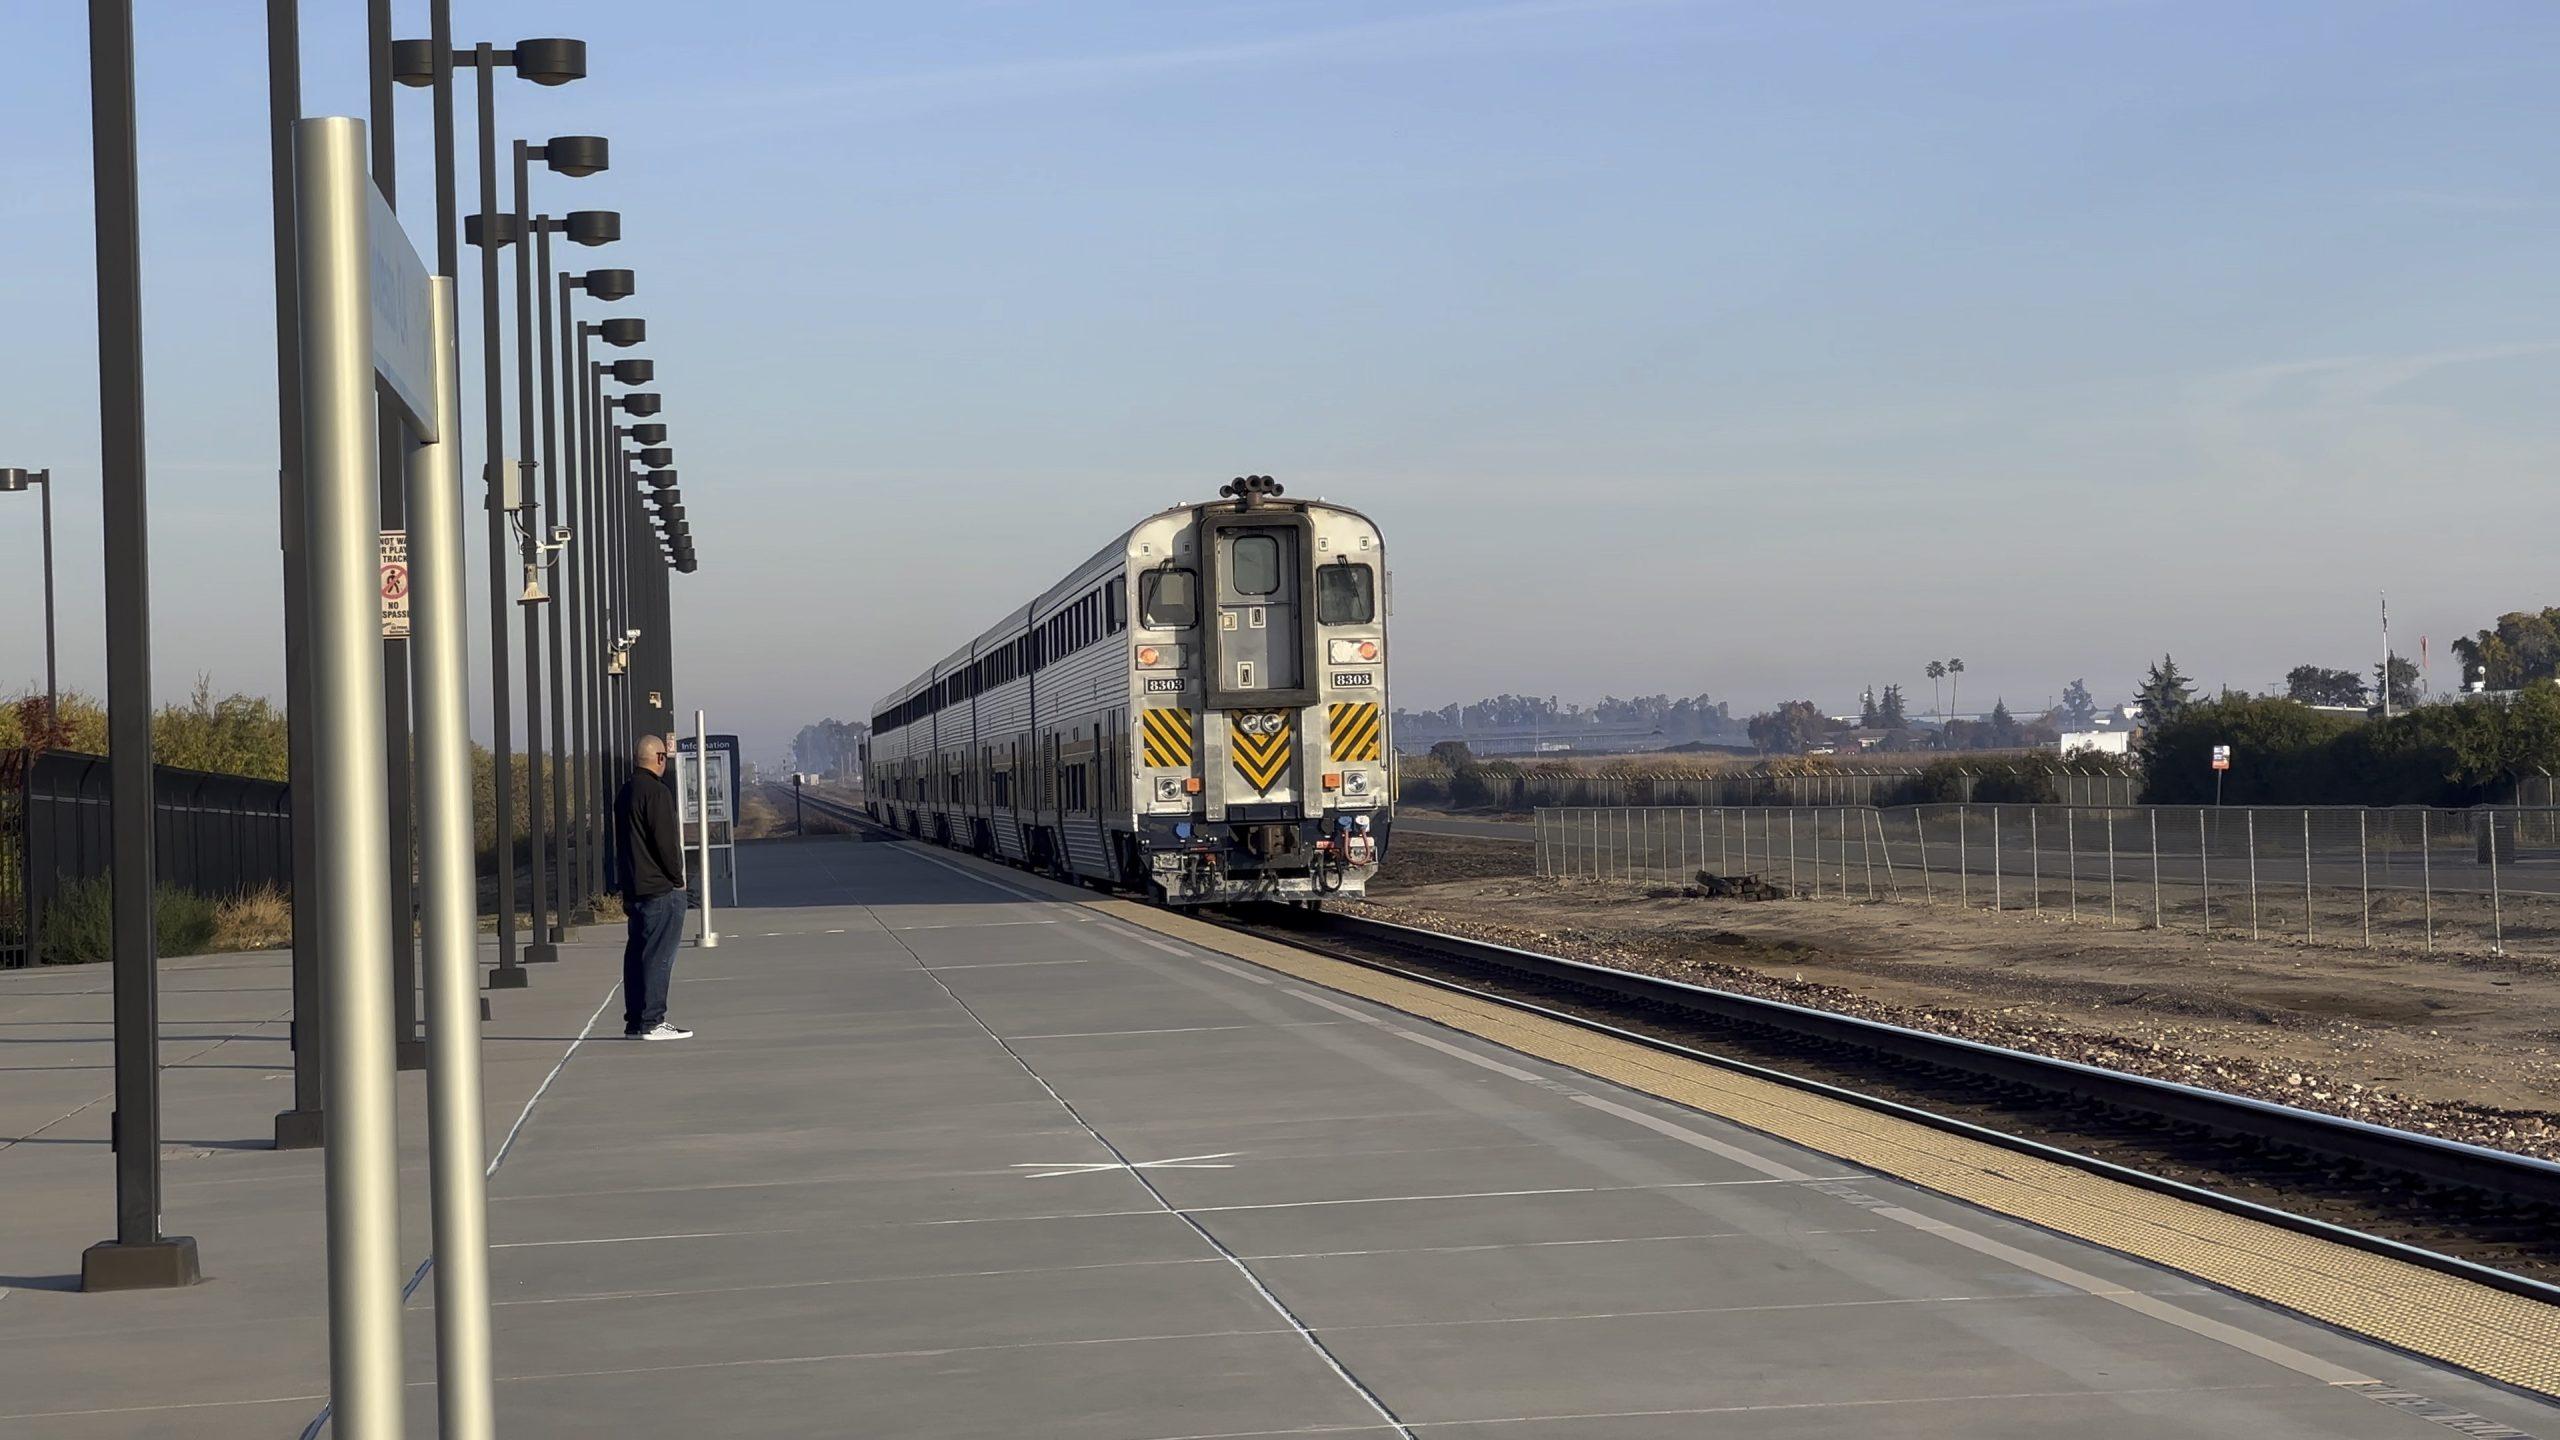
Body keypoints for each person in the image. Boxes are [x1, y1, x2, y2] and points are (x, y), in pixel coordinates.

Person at [617, 733, 692, 1040]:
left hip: (634, 886)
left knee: (637, 955)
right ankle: (653, 1020)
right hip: (659, 889)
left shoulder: (626, 792)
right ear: (659, 758)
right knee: (660, 956)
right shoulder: (656, 793)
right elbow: (666, 843)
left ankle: (635, 1020)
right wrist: (678, 879)